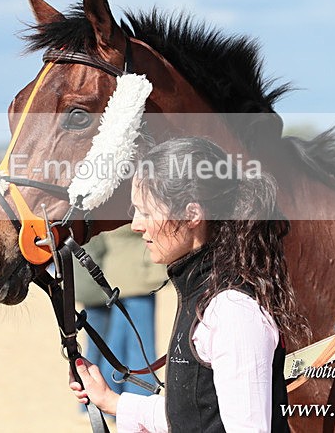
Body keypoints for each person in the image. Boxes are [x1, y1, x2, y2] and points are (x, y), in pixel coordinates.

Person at [70, 137, 308, 432]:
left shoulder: (232, 311)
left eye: (147, 211)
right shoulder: (203, 293)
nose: (136, 225)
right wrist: (112, 402)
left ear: (192, 214)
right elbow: (195, 415)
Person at [74, 225, 167, 405]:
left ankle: (112, 398)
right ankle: (141, 401)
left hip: (116, 278)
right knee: (141, 349)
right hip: (137, 278)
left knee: (116, 345)